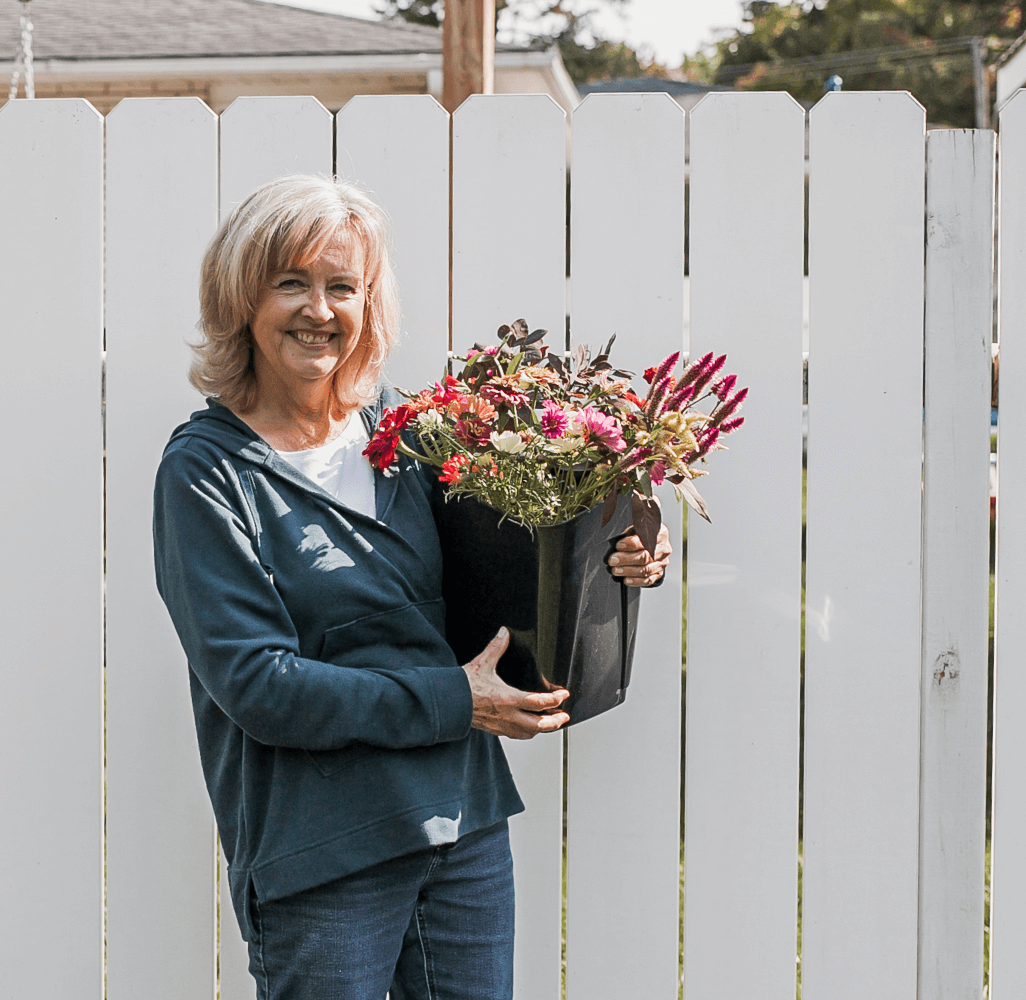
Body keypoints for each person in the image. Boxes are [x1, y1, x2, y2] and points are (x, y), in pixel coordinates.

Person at [153, 174, 671, 1000]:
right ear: (242, 298)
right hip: (323, 850)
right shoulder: (209, 473)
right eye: (291, 282)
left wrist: (627, 539)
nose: (318, 310)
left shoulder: (411, 435)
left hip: (461, 823)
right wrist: (456, 702)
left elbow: (517, 554)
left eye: (341, 287)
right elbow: (258, 685)